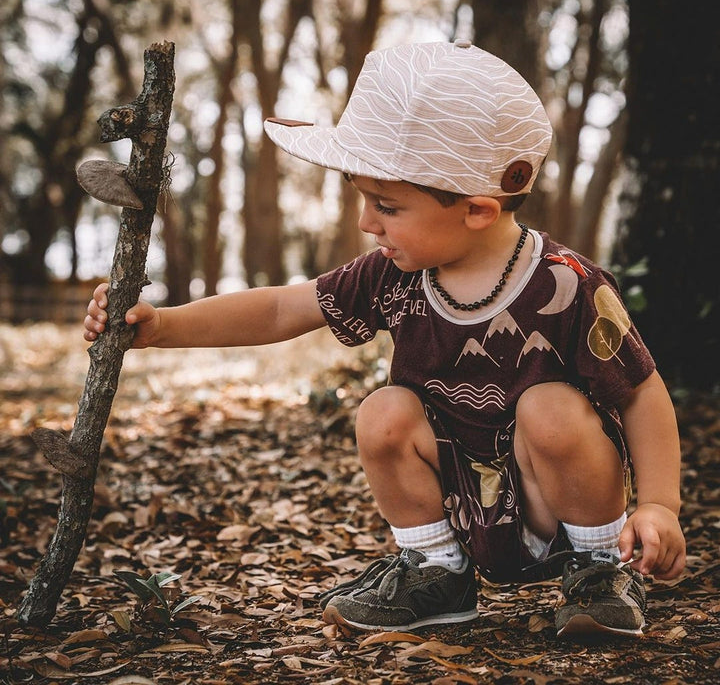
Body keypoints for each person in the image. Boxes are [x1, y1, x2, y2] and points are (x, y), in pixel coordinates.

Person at [84, 40, 686, 638]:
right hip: (460, 501)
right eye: (363, 199)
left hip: (555, 498)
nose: (366, 222)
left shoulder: (567, 284)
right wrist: (164, 326)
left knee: (550, 407)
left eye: (386, 205)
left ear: (477, 210)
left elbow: (639, 391)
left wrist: (660, 504)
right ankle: (436, 571)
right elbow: (278, 310)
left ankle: (600, 573)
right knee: (383, 412)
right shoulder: (393, 276)